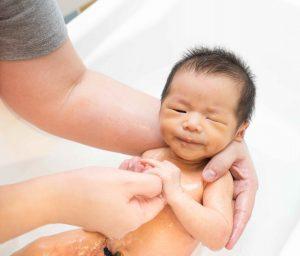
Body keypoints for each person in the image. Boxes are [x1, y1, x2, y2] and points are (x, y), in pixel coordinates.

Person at [0, 0, 257, 252]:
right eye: (178, 110)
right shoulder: (155, 155)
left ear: (239, 131)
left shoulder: (213, 179)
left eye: (211, 118)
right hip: (104, 244)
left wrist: (176, 193)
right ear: (161, 106)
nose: (190, 123)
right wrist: (129, 173)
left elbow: (216, 236)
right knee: (43, 248)